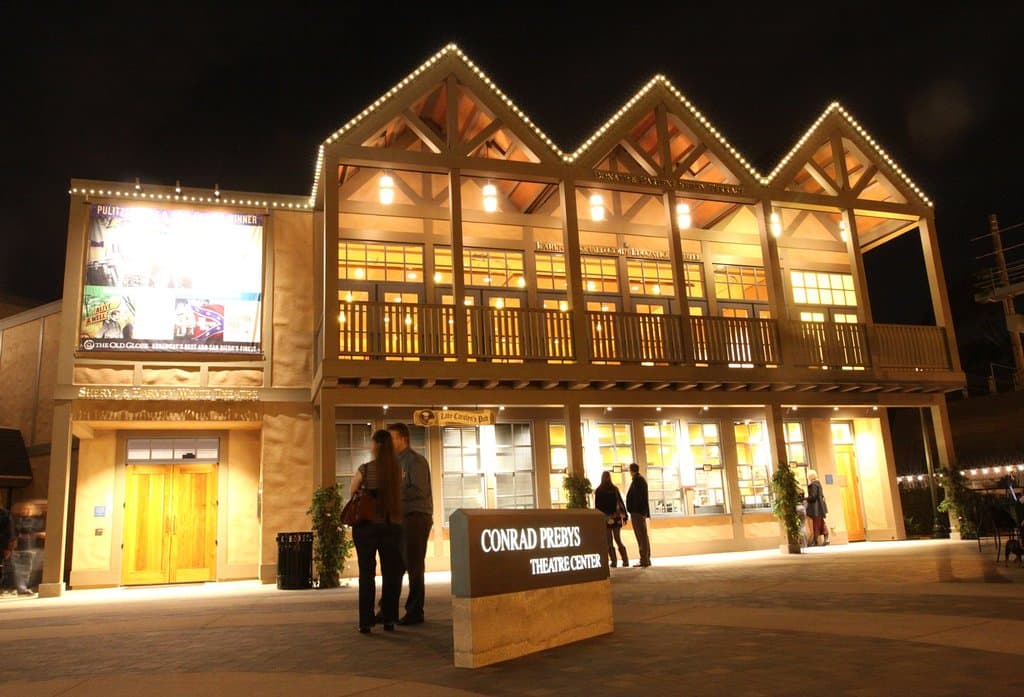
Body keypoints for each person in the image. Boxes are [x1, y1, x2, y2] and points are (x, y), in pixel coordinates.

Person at [350, 430, 404, 633]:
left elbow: (352, 491)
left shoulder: (365, 468)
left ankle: (366, 621)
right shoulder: (396, 470)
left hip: (366, 527)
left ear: (376, 445)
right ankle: (389, 618)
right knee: (391, 574)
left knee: (367, 574)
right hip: (390, 526)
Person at [387, 422, 433, 625]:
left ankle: (415, 611)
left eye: (392, 438)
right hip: (400, 519)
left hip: (416, 517)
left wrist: (394, 493)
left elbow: (419, 490)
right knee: (394, 565)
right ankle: (388, 609)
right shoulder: (394, 462)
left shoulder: (416, 461)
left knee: (414, 565)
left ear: (402, 439)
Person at [594, 471, 629, 567]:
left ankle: (614, 561)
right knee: (618, 539)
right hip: (616, 517)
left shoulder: (599, 490)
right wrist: (625, 515)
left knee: (609, 541)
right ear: (610, 478)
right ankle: (625, 560)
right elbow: (621, 503)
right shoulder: (614, 489)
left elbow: (597, 506)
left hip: (605, 518)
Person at [625, 463, 652, 567]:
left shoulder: (637, 481)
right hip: (640, 512)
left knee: (641, 536)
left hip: (637, 512)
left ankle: (644, 559)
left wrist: (632, 509)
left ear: (631, 470)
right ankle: (646, 558)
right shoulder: (640, 480)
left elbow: (637, 497)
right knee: (643, 536)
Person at [805, 470, 829, 546]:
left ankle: (815, 541)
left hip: (815, 507)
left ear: (810, 476)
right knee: (821, 522)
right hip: (820, 506)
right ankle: (826, 538)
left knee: (816, 523)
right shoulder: (818, 484)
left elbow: (813, 496)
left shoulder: (813, 485)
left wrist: (805, 498)